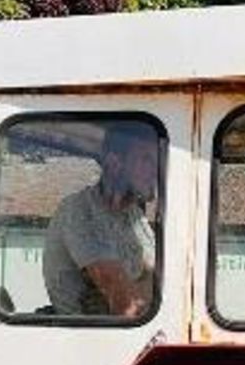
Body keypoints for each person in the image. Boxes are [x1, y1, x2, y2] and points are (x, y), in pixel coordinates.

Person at [43, 125, 161, 318]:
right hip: (84, 341)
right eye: (146, 159)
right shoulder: (80, 210)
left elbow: (164, 283)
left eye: (158, 160)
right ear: (114, 163)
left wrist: (140, 286)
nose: (155, 170)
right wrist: (143, 286)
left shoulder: (134, 217)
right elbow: (127, 308)